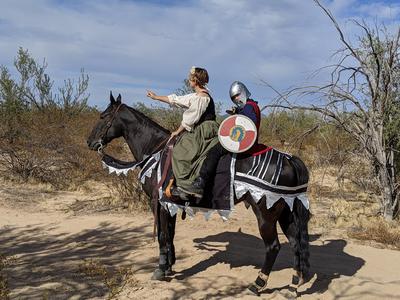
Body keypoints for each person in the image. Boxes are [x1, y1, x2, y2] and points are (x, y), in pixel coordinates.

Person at [146, 66, 219, 198]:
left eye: (190, 79)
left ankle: (187, 187)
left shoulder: (202, 97)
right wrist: (156, 97)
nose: (188, 81)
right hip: (200, 128)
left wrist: (177, 131)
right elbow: (176, 100)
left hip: (205, 129)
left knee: (181, 151)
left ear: (195, 80)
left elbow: (190, 118)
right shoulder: (196, 95)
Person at [192, 81, 261, 191]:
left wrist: (238, 115)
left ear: (243, 92)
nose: (236, 99)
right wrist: (236, 113)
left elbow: (248, 124)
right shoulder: (253, 105)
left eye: (237, 95)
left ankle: (201, 180)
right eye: (234, 97)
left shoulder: (248, 107)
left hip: (242, 144)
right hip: (246, 142)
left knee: (214, 151)